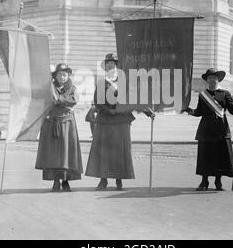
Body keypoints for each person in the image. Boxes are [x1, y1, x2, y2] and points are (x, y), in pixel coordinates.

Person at [85, 53, 154, 191]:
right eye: (109, 64)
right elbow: (98, 103)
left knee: (120, 151)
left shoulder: (126, 82)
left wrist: (147, 112)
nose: (112, 66)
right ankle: (103, 180)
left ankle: (119, 179)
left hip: (122, 121)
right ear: (106, 67)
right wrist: (108, 111)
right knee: (103, 151)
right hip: (105, 120)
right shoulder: (101, 82)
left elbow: (134, 101)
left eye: (114, 64)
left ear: (118, 66)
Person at [183, 68, 233, 191]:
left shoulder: (225, 94)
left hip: (221, 129)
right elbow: (199, 112)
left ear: (218, 79)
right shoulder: (203, 95)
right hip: (206, 129)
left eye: (214, 77)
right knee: (205, 156)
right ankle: (204, 181)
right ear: (207, 80)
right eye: (209, 78)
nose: (212, 80)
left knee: (220, 155)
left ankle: (218, 182)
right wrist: (188, 110)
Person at [35, 63, 83, 192]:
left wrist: (59, 100)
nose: (63, 76)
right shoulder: (49, 88)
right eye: (60, 74)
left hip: (67, 124)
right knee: (54, 155)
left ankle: (66, 181)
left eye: (65, 74)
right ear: (55, 76)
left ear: (68, 76)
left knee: (67, 154)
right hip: (52, 124)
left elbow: (73, 100)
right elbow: (42, 100)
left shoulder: (72, 88)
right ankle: (56, 181)